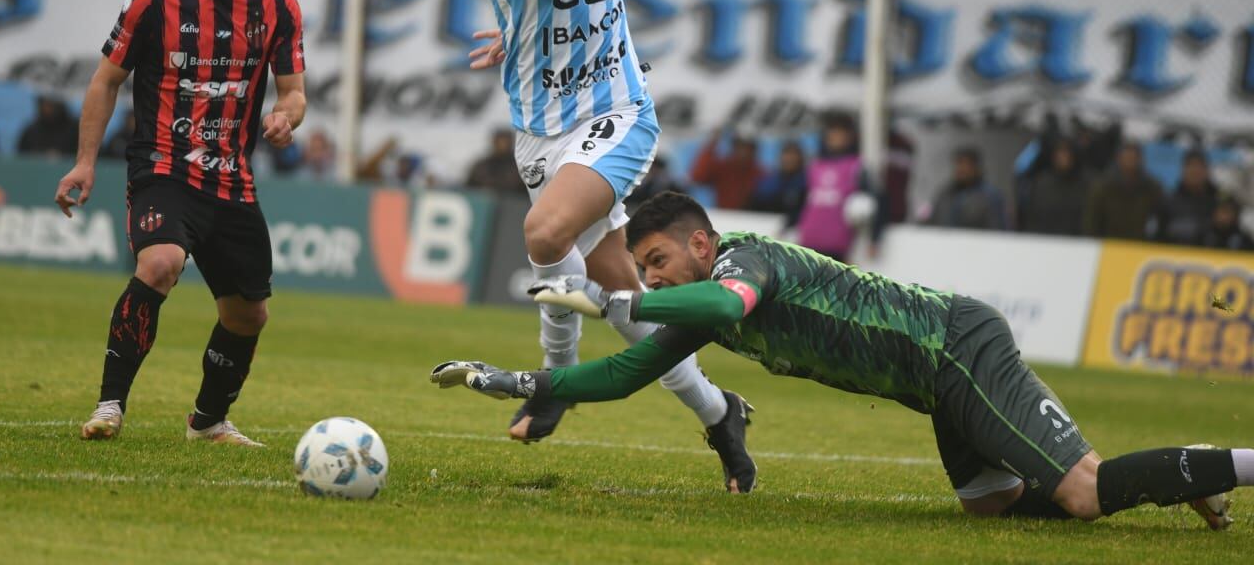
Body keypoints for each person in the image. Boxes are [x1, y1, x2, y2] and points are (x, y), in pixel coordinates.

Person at [434, 191, 1249, 523]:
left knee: (1082, 492)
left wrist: (622, 300)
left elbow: (720, 304)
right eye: (642, 268)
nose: (650, 276)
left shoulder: (743, 265)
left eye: (656, 261)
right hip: (936, 385)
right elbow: (623, 372)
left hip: (957, 347)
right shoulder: (695, 301)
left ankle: (1236, 464)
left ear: (699, 242)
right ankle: (1164, 484)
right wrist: (529, 381)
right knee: (991, 507)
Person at [461, 0, 754, 489]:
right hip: (541, 129)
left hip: (618, 107)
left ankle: (553, 381)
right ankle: (721, 415)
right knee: (626, 309)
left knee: (542, 235)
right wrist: (520, 34)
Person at [56, 0, 307, 447]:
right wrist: (85, 162)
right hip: (164, 167)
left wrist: (284, 117)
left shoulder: (278, 5)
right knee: (160, 264)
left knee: (248, 316)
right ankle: (110, 405)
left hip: (233, 180)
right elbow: (105, 81)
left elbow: (293, 91)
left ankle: (208, 421)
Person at [796, 111, 877, 261]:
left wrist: (874, 238)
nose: (836, 139)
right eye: (832, 134)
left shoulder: (857, 166)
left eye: (841, 135)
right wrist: (787, 225)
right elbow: (801, 200)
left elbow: (873, 202)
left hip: (837, 244)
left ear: (850, 137)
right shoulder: (815, 165)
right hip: (809, 239)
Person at [1083, 142, 1165, 240]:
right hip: (1108, 245)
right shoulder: (1103, 186)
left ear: (1141, 160)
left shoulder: (1152, 188)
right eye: (1127, 157)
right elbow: (1091, 220)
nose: (1130, 162)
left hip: (1140, 246)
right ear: (1119, 159)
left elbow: (1160, 217)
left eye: (1134, 158)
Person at [1019, 137, 1088, 235]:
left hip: (1078, 244)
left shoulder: (1086, 185)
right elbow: (1032, 217)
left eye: (1066, 153)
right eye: (1059, 153)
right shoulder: (1041, 183)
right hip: (1046, 242)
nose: (1063, 157)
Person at [928, 147, 1007, 230]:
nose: (961, 169)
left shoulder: (990, 197)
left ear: (976, 168)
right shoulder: (944, 194)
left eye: (966, 164)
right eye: (959, 163)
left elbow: (997, 230)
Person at [689, 132, 763, 210]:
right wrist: (712, 143)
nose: (744, 152)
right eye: (740, 147)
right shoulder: (723, 168)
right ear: (734, 148)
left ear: (754, 151)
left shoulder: (761, 173)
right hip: (725, 217)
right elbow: (697, 176)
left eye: (748, 148)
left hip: (752, 218)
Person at [1161, 149, 1218, 246]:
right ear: (1183, 169)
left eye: (1199, 166)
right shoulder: (1168, 201)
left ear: (1207, 170)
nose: (1195, 171)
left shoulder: (1218, 202)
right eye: (1191, 166)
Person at [748, 142, 807, 218]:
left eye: (793, 156)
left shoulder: (806, 182)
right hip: (768, 222)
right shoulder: (768, 181)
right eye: (787, 155)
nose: (789, 159)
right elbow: (756, 203)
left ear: (800, 159)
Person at [465, 129, 527, 194]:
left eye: (505, 142)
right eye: (500, 142)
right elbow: (468, 189)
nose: (502, 145)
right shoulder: (481, 167)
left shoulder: (521, 167)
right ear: (494, 142)